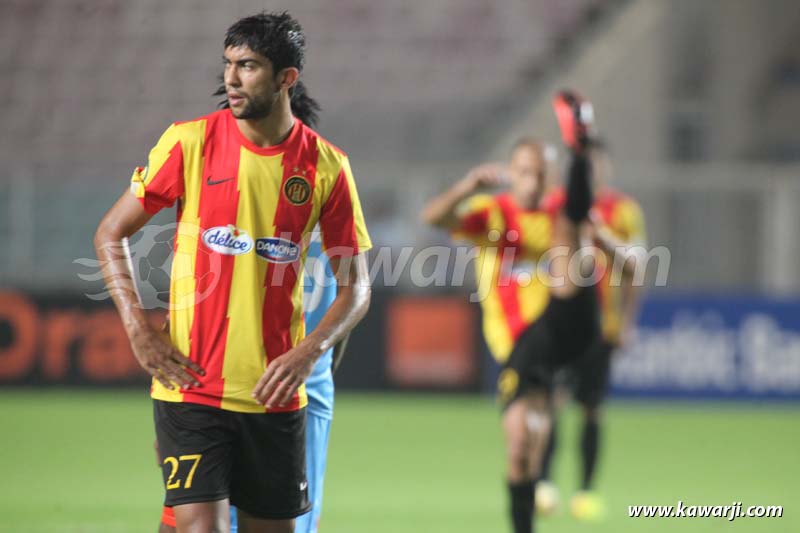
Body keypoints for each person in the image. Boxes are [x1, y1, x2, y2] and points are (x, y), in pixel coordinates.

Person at [94, 11, 371, 533]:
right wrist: (137, 330)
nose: (231, 78)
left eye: (248, 66)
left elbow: (356, 291)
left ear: (287, 78)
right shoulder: (188, 142)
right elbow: (110, 234)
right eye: (228, 64)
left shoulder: (327, 168)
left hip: (275, 395)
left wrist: (308, 352)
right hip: (192, 386)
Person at [422, 89, 600, 533]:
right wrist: (468, 186)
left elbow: (601, 244)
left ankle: (581, 151)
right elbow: (435, 218)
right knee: (523, 445)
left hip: (561, 327)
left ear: (551, 176)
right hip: (518, 346)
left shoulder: (561, 214)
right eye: (524, 173)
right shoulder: (493, 215)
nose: (533, 183)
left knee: (572, 224)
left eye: (541, 174)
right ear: (511, 173)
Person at [159, 230, 347, 533]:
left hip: (295, 397)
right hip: (224, 390)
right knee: (191, 516)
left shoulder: (323, 205)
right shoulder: (328, 214)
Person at [535, 138, 647, 520]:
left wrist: (627, 321)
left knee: (592, 407)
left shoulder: (624, 210)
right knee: (550, 402)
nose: (593, 172)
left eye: (598, 164)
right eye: (586, 166)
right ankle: (544, 484)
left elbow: (637, 267)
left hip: (603, 325)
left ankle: (585, 491)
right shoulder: (556, 205)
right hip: (562, 320)